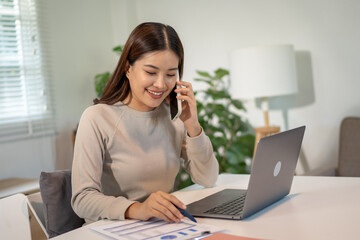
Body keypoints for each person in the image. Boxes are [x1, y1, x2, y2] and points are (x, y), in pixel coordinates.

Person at [71, 22, 219, 224]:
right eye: (150, 72)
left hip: (161, 228)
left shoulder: (174, 118)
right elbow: (82, 199)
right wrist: (138, 209)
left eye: (170, 74)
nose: (160, 84)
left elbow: (208, 178)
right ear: (128, 69)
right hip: (113, 230)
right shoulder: (97, 118)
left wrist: (193, 126)